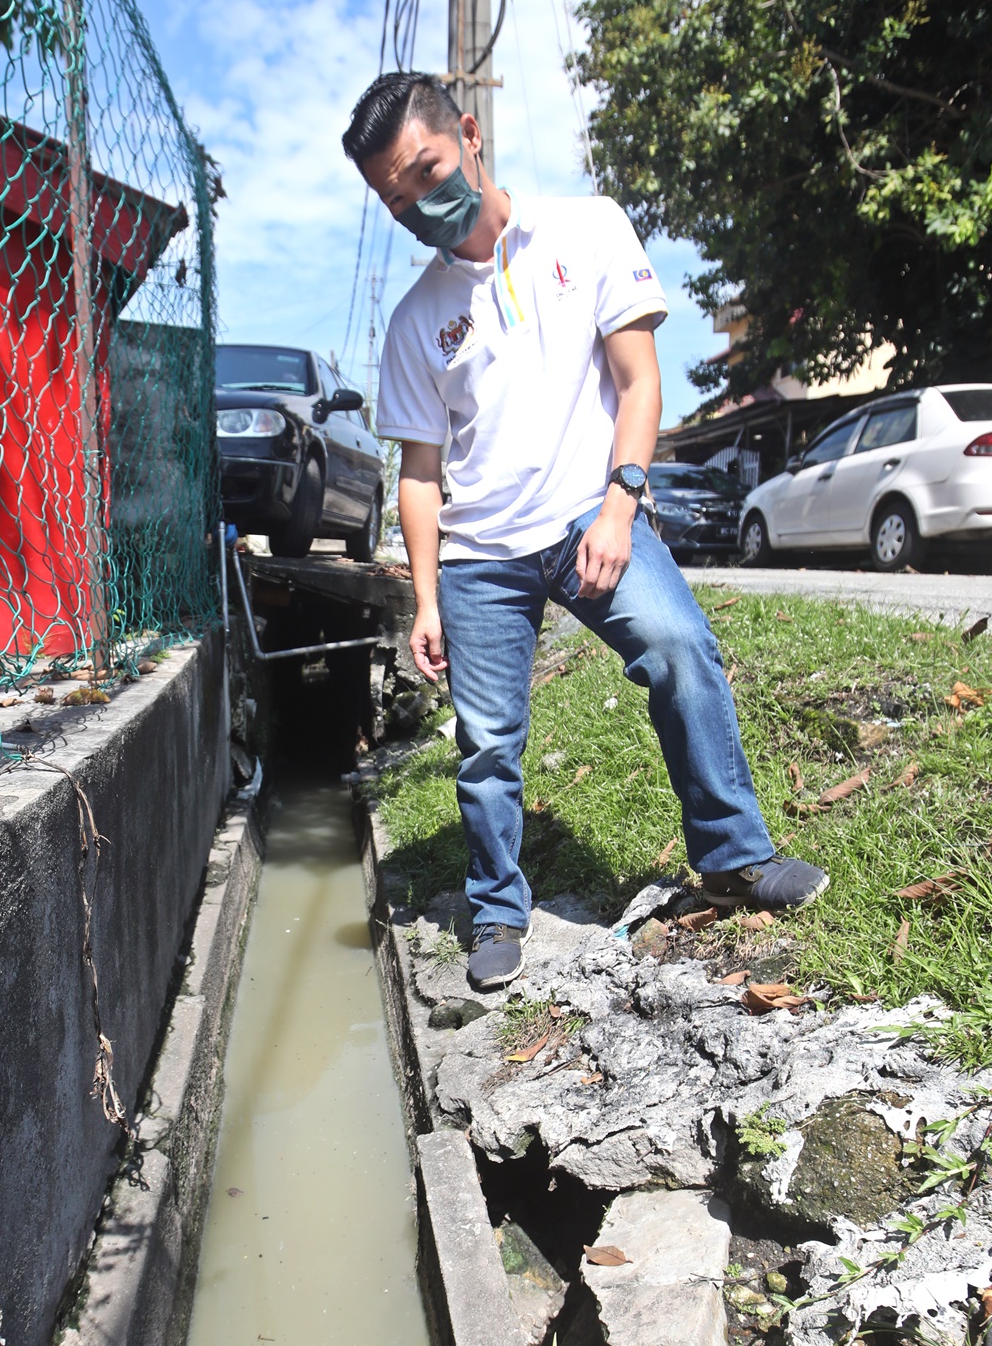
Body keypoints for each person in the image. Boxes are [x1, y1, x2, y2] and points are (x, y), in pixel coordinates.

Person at [341, 71, 826, 993]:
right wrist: (427, 595)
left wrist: (621, 502)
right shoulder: (414, 322)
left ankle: (733, 859)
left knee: (681, 646)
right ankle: (496, 906)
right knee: (486, 744)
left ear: (470, 134)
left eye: (425, 173)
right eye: (393, 199)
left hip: (588, 514)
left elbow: (641, 382)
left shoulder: (589, 227)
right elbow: (420, 474)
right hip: (481, 552)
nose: (416, 206)